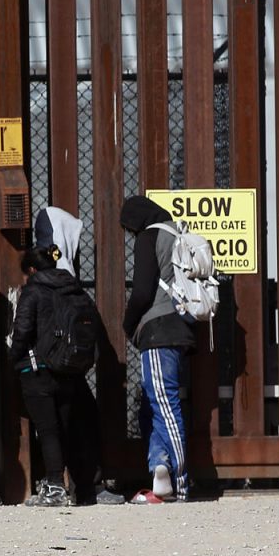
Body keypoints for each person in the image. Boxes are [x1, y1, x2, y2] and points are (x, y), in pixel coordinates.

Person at [11, 247, 101, 507]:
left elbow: (23, 330)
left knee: (47, 430)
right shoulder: (73, 288)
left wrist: (13, 358)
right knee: (65, 429)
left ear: (31, 270)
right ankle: (80, 488)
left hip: (37, 369)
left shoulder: (33, 291)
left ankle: (54, 487)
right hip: (69, 368)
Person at [120, 195, 195, 504]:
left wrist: (128, 325)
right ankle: (159, 468)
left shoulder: (150, 236)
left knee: (164, 403)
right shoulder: (178, 233)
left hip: (158, 329)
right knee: (154, 402)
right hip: (182, 325)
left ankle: (179, 480)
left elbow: (141, 292)